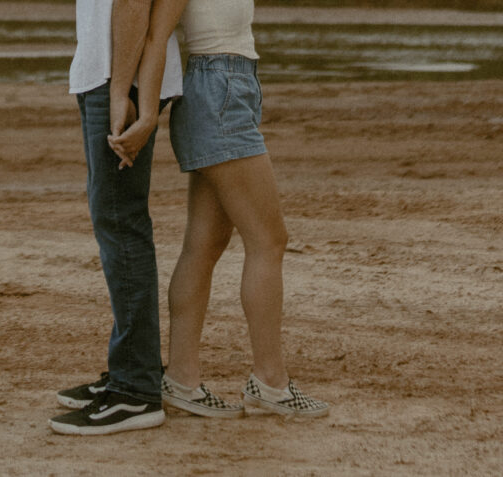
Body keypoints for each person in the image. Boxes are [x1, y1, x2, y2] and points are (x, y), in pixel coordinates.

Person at [110, 0, 329, 418]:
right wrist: (148, 115)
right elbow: (157, 34)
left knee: (205, 243)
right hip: (218, 91)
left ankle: (181, 380)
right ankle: (270, 384)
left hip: (230, 86)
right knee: (269, 240)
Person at [48, 0, 183, 435]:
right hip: (111, 73)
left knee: (120, 225)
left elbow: (132, 3)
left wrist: (118, 91)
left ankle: (136, 389)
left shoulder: (117, 83)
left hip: (118, 75)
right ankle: (132, 369)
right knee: (118, 223)